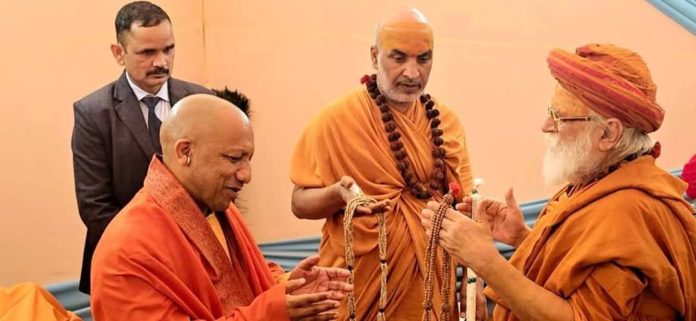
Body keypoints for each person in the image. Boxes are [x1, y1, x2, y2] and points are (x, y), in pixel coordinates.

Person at [422, 44, 696, 321]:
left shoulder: (631, 210)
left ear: (609, 133)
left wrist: (486, 261)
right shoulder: (598, 181)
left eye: (558, 116)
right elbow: (582, 272)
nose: (546, 125)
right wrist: (524, 238)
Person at [91, 94, 352, 321]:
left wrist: (291, 287)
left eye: (248, 160)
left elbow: (244, 278)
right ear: (185, 152)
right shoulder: (126, 251)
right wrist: (274, 312)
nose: (246, 175)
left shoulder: (218, 209)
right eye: (233, 158)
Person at [290, 8, 473, 320]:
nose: (412, 73)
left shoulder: (446, 122)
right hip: (357, 290)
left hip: (429, 293)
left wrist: (472, 286)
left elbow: (465, 207)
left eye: (423, 59)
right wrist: (337, 194)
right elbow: (299, 202)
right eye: (398, 57)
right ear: (375, 57)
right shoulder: (337, 120)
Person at [71, 1, 211, 294]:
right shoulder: (93, 113)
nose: (162, 62)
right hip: (127, 268)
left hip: (200, 266)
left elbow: (219, 181)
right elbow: (95, 208)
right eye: (147, 52)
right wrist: (157, 253)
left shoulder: (201, 100)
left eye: (169, 49)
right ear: (118, 53)